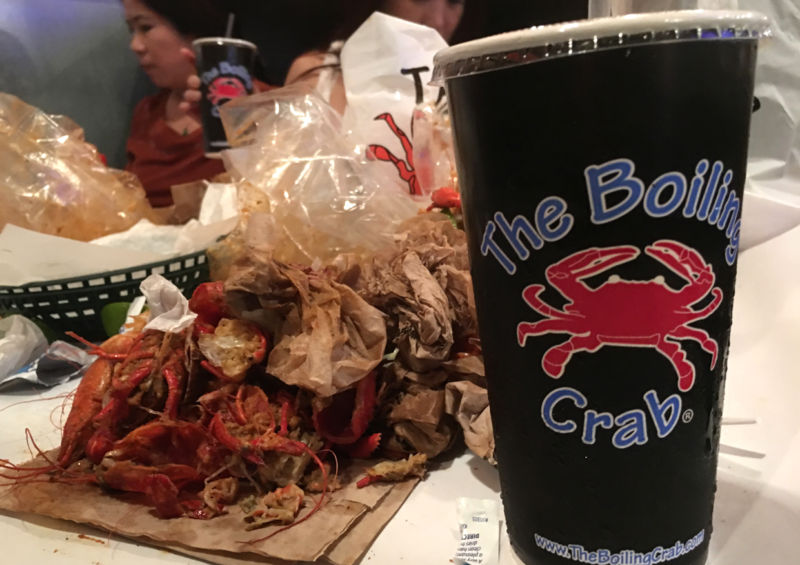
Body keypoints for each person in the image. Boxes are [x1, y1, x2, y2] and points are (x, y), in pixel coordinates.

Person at [181, 0, 465, 115]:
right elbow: (278, 184)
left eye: (454, 1)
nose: (438, 20)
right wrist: (247, 123)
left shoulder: (467, 84)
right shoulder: (318, 75)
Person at [122, 0, 269, 208]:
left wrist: (250, 132)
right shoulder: (147, 112)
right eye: (132, 30)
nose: (135, 45)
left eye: (146, 27)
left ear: (193, 25)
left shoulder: (269, 106)